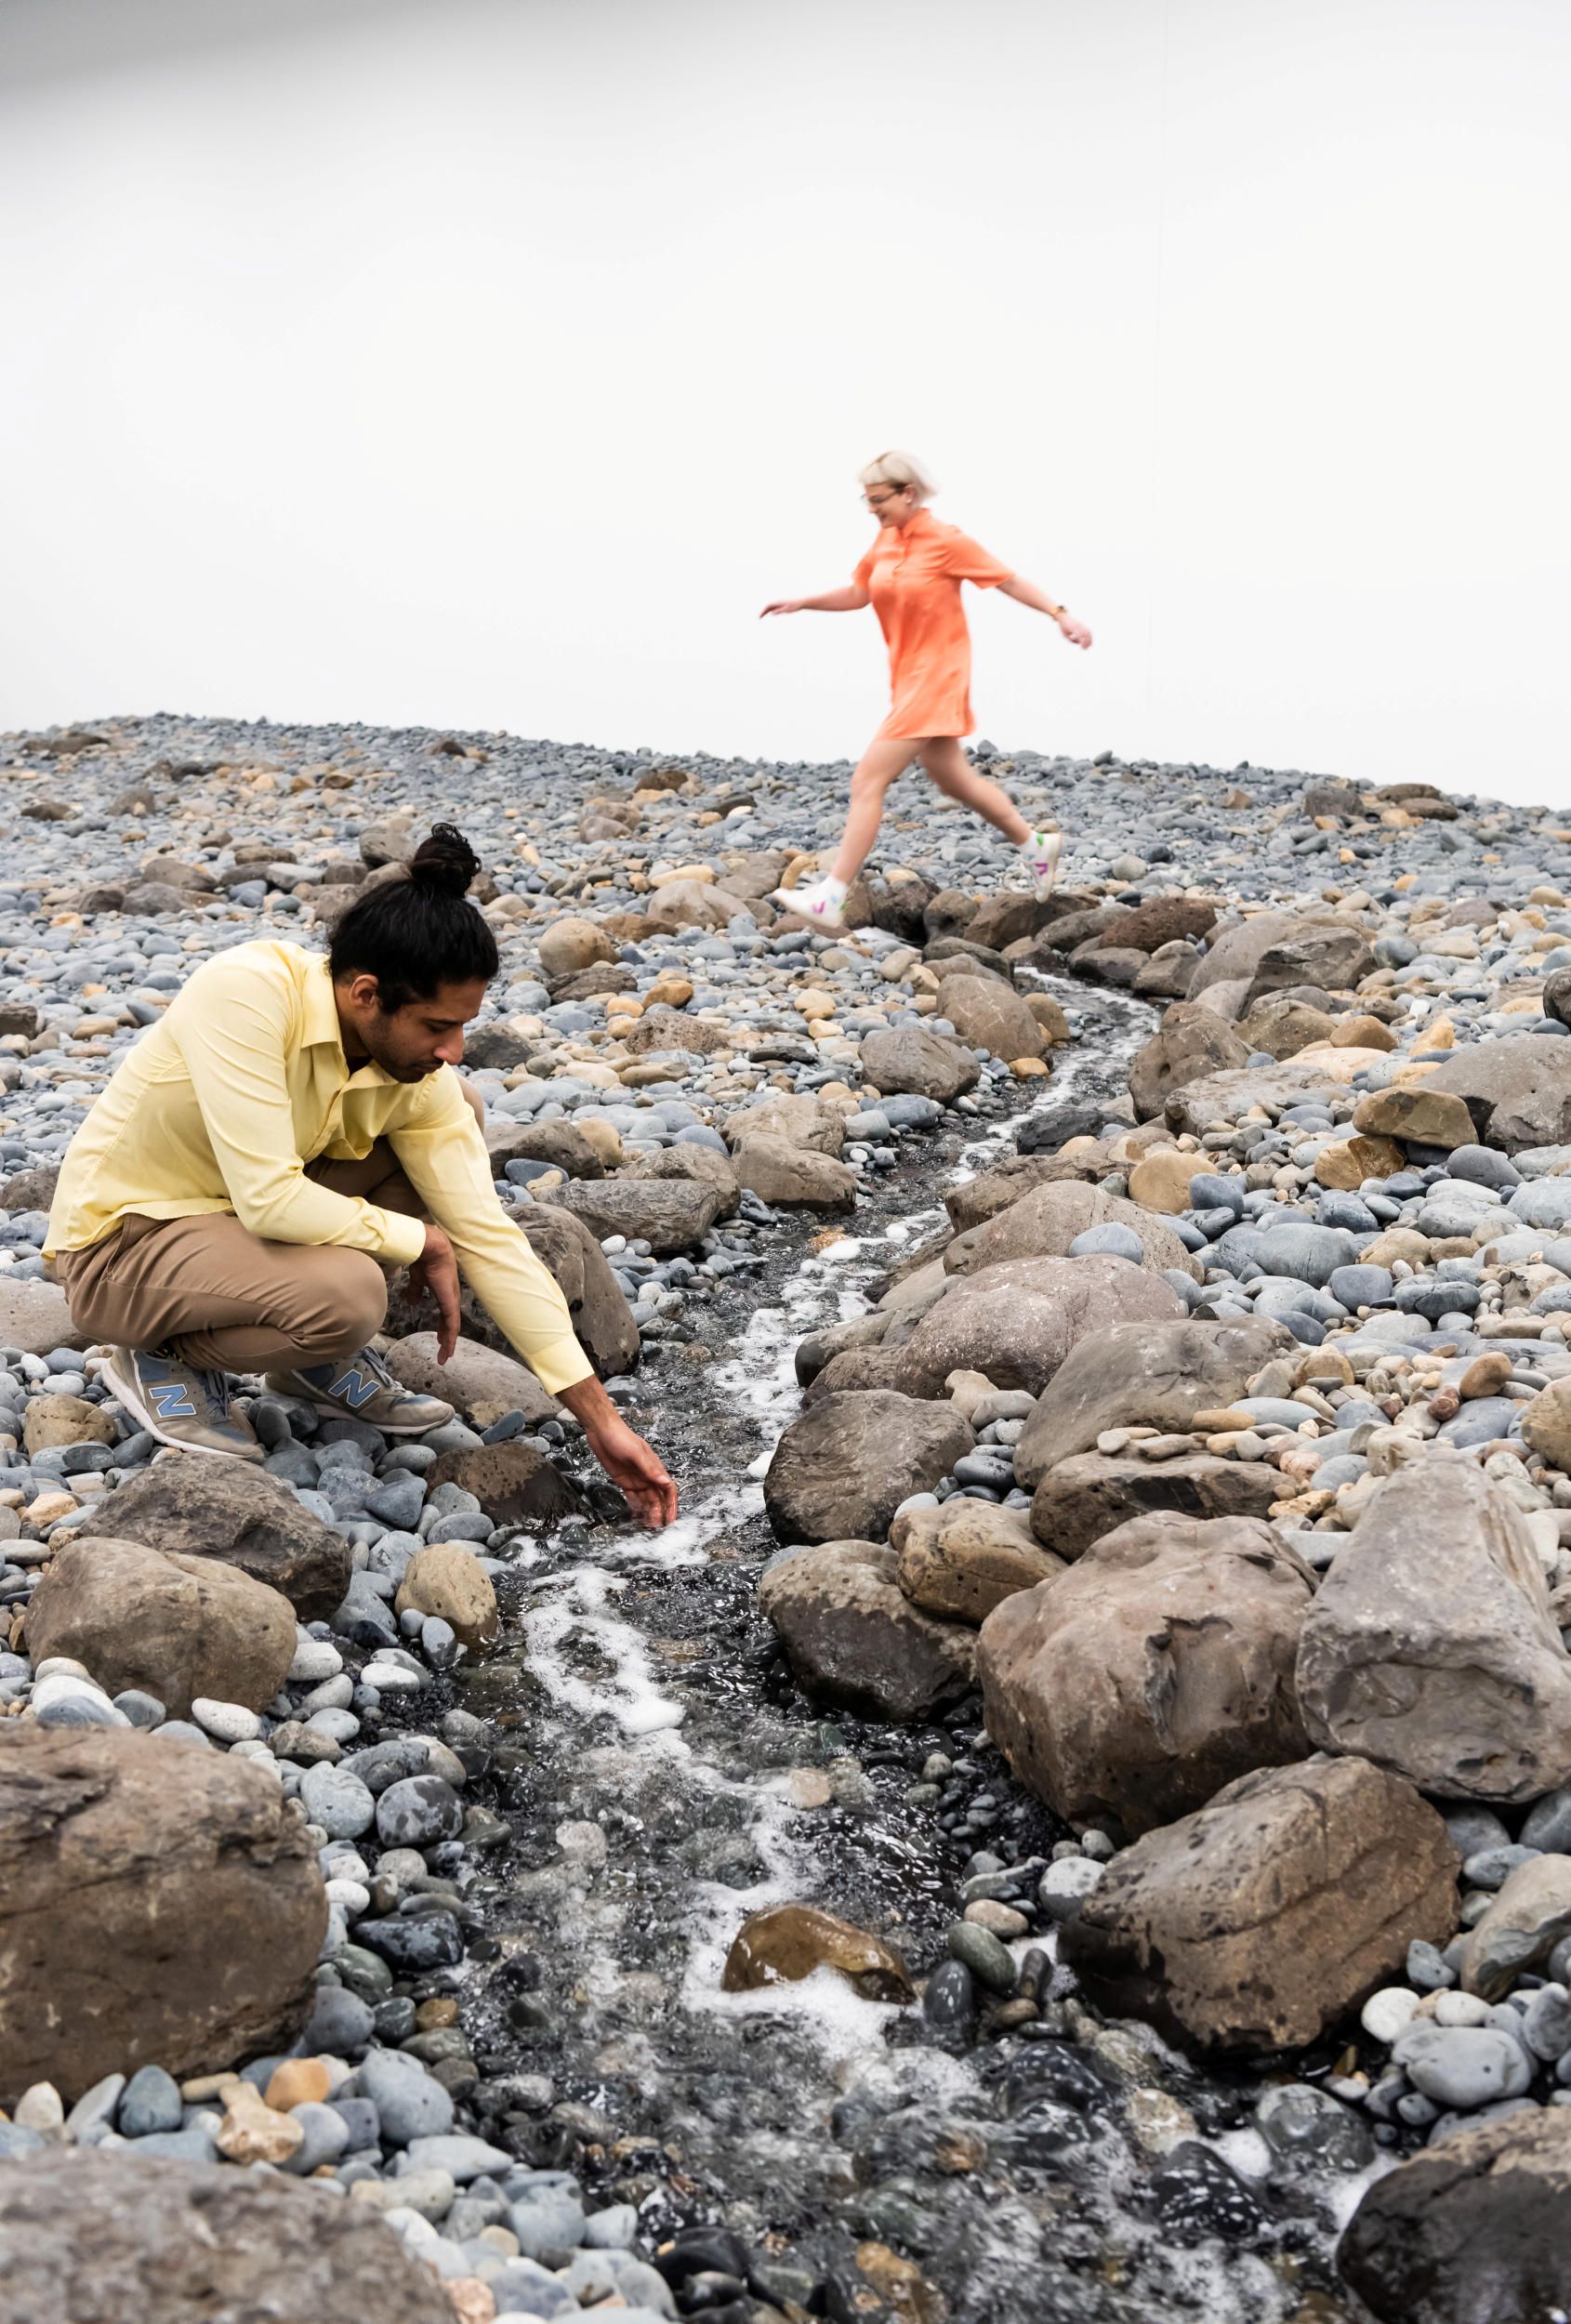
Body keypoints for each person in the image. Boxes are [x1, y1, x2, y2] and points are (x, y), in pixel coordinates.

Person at [45, 825, 677, 1528]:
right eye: (438, 1026)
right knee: (350, 1295)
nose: (455, 1049)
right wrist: (421, 1241)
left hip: (230, 1235)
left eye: (465, 1025)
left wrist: (599, 1420)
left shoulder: (414, 1070)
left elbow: (488, 1237)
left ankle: (305, 1363)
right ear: (367, 994)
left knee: (459, 1109)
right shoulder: (248, 993)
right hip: (126, 1244)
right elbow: (269, 1199)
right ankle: (161, 1355)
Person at [760, 449, 1092, 930]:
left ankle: (832, 895)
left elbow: (1008, 580)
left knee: (867, 780)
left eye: (879, 500)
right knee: (952, 778)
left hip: (937, 676)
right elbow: (860, 593)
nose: (872, 509)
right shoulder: (886, 540)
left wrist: (1062, 615)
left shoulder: (945, 540)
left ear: (907, 493)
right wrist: (803, 602)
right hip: (908, 676)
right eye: (867, 501)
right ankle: (1034, 844)